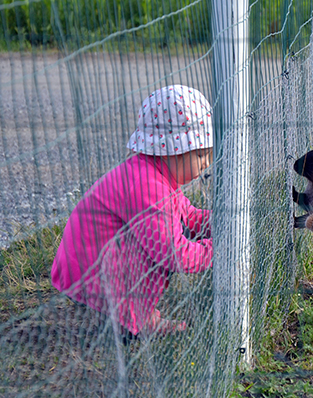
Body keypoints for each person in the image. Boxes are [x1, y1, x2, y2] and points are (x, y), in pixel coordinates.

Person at [51, 85, 214, 337]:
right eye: (201, 154)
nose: (207, 162)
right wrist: (216, 249)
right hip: (90, 275)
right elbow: (174, 254)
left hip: (93, 264)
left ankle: (139, 315)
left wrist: (221, 221)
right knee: (162, 244)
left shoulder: (155, 173)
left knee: (168, 230)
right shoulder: (149, 186)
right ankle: (127, 319)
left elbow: (188, 216)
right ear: (173, 149)